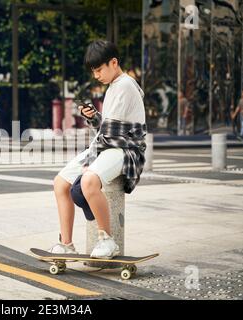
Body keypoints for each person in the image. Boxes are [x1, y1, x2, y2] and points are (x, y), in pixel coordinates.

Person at [49, 40, 147, 259]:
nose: (96, 75)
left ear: (114, 62)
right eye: (94, 71)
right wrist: (94, 118)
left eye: (99, 69)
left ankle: (107, 240)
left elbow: (112, 136)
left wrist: (88, 164)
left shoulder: (125, 86)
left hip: (127, 151)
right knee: (60, 183)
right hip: (110, 146)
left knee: (88, 180)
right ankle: (66, 244)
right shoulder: (114, 86)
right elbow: (108, 129)